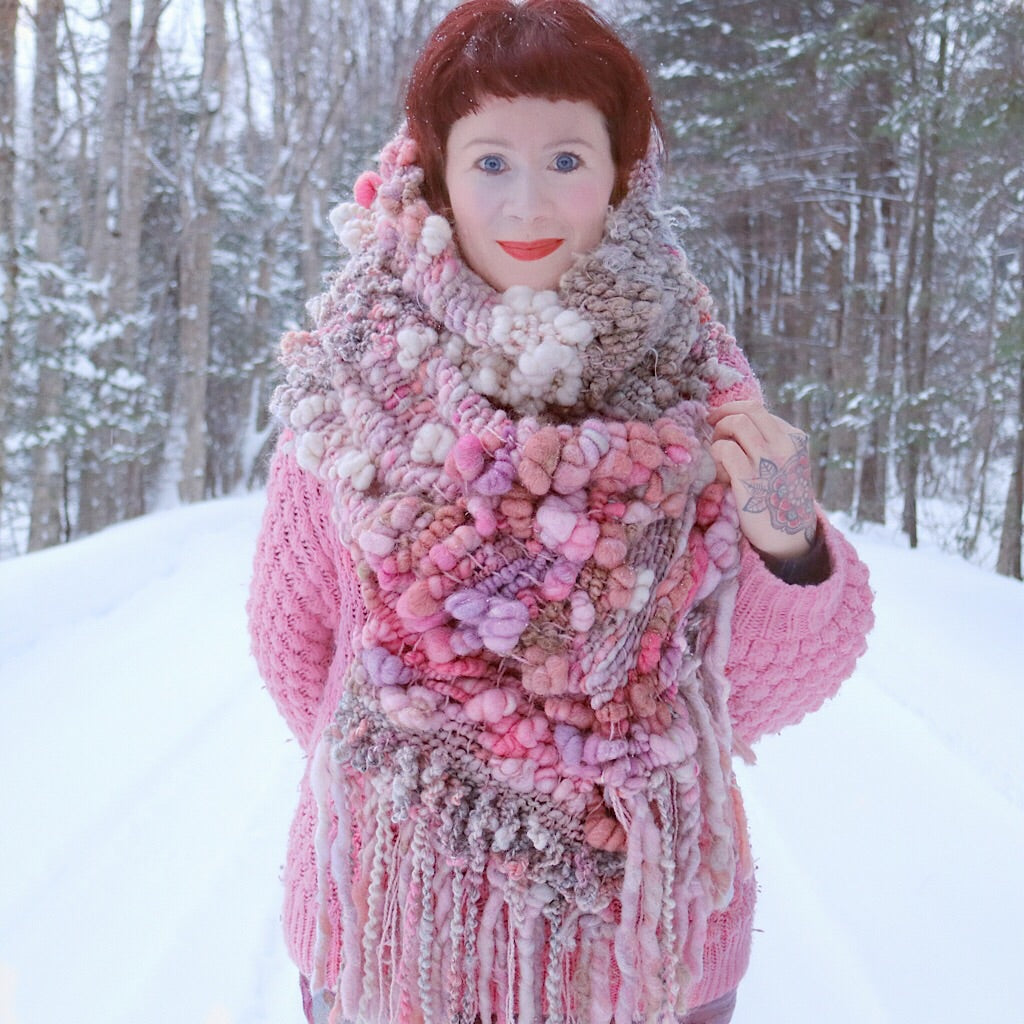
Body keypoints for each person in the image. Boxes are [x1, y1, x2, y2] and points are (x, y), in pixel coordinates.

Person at [247, 2, 874, 1022]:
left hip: (634, 959)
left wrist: (790, 542)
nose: (528, 197)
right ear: (438, 173)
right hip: (392, 933)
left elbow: (752, 684)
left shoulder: (698, 378)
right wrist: (449, 786)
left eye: (567, 158)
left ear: (620, 173)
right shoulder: (353, 377)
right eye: (490, 160)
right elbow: (301, 651)